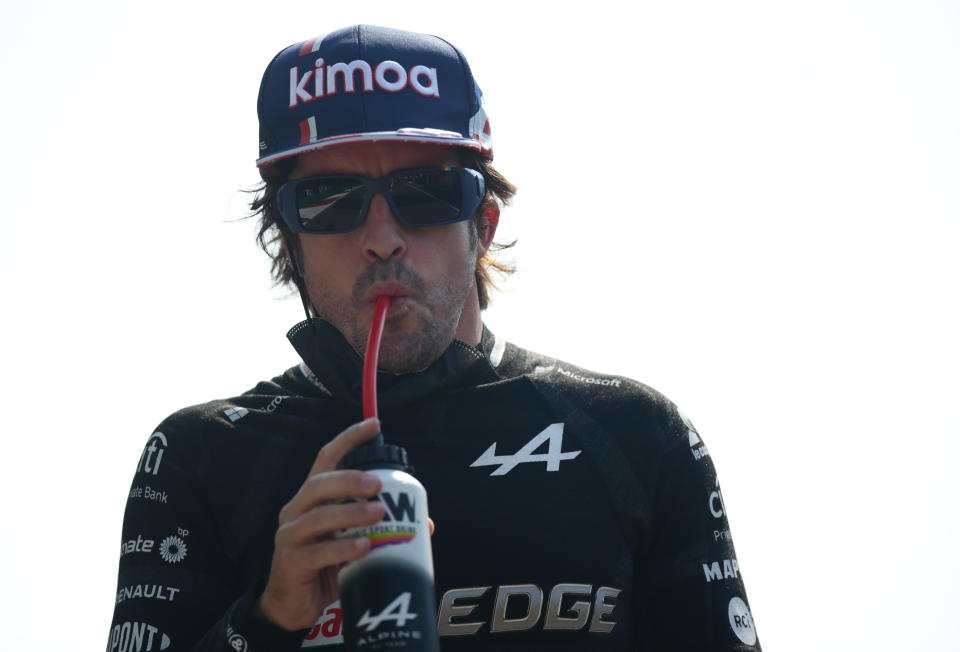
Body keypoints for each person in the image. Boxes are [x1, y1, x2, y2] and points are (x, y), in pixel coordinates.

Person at [107, 24, 761, 652]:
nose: (383, 238)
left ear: (484, 223)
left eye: (425, 191)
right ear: (287, 240)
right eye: (330, 199)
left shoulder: (635, 434)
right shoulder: (200, 456)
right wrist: (268, 619)